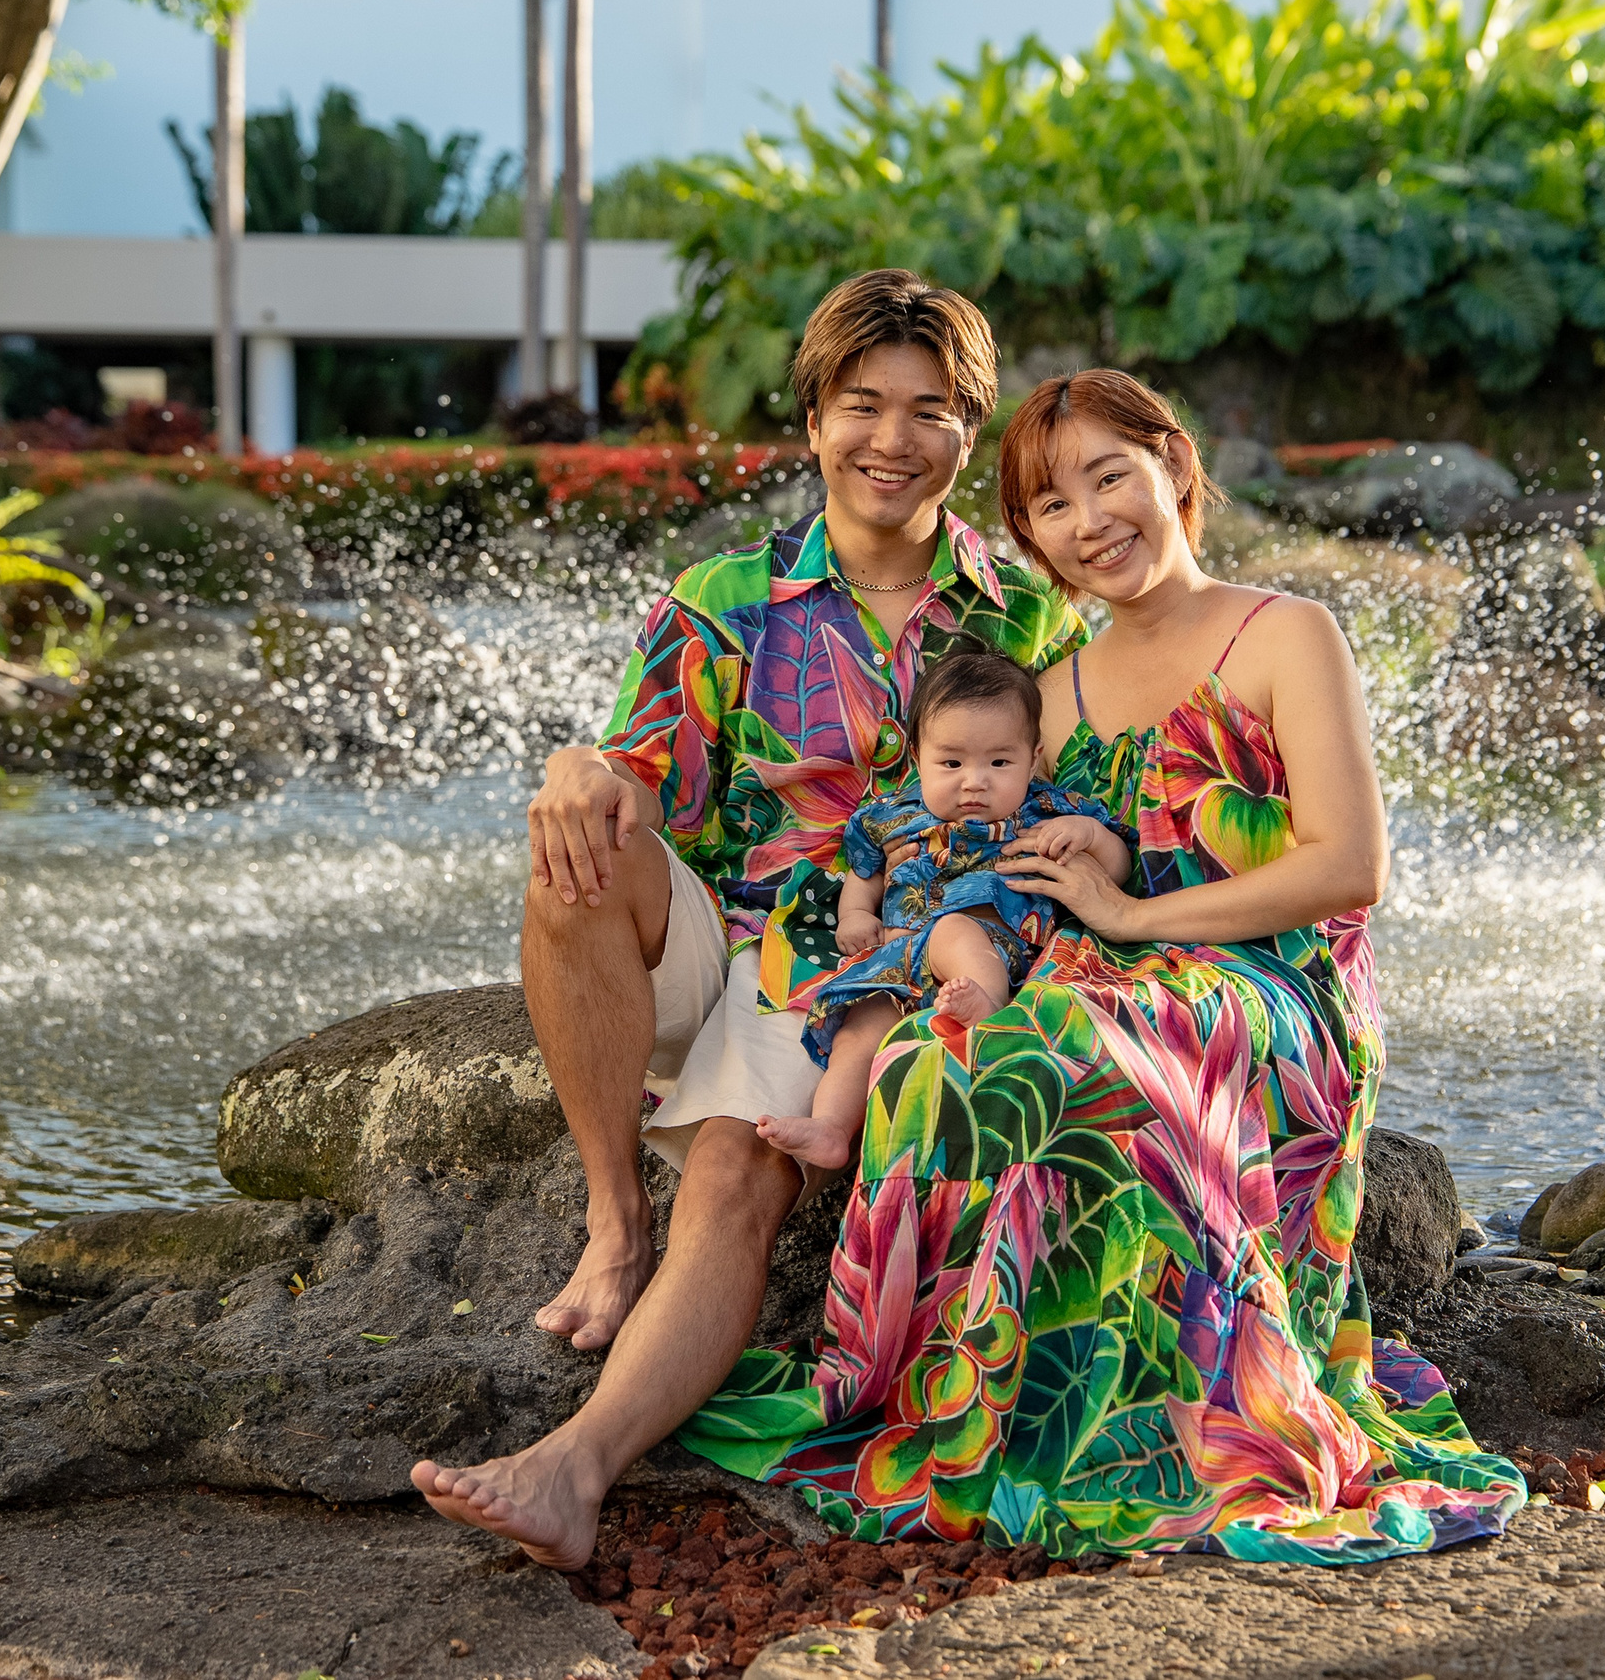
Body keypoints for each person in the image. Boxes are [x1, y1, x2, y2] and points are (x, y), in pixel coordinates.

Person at [673, 370, 1527, 1562]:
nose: (1089, 521)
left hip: (1271, 987)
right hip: (1097, 967)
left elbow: (1349, 869)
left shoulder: (1285, 631)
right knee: (942, 1052)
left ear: (1172, 468)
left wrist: (1129, 916)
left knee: (1098, 1049)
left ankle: (1180, 1433)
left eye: (1108, 476)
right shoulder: (1053, 696)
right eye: (1049, 506)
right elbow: (994, 867)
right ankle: (988, 1408)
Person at [410, 271, 1087, 1565]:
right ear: (816, 420)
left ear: (968, 429)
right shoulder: (721, 596)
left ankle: (572, 1468)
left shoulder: (1030, 613)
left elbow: (1078, 792)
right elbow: (635, 781)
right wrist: (578, 767)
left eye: (930, 410)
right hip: (726, 924)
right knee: (575, 859)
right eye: (863, 404)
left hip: (870, 961)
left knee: (737, 1165)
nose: (893, 438)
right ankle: (614, 1218)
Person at [756, 650, 1130, 1173]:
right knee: (857, 1031)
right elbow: (863, 875)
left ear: (1032, 756)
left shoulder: (1046, 811)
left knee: (954, 929)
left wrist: (1091, 837)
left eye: (999, 762)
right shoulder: (891, 817)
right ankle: (831, 1128)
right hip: (900, 956)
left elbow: (1117, 869)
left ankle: (989, 1008)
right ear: (917, 758)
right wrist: (857, 916)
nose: (974, 781)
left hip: (992, 944)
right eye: (951, 763)